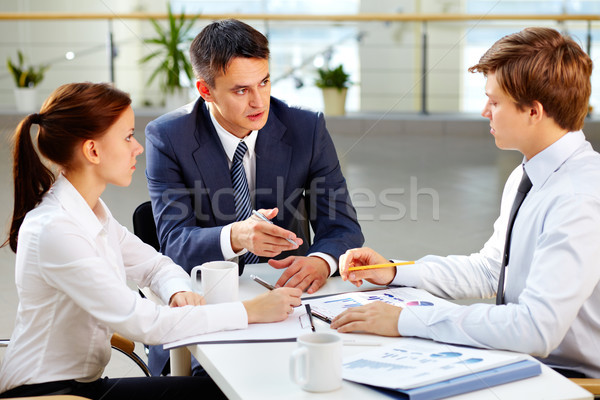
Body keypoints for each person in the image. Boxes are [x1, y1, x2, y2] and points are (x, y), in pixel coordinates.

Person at [0, 82, 302, 399]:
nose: (138, 148)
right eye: (128, 137)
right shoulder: (57, 229)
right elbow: (145, 324)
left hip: (81, 385)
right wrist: (250, 311)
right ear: (93, 150)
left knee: (217, 389)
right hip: (45, 393)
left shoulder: (91, 212)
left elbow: (155, 266)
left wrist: (179, 291)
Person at [332, 27, 600, 379]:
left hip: (571, 380)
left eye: (495, 101)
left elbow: (536, 329)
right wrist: (395, 272)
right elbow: (492, 269)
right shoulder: (530, 172)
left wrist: (408, 319)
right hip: (531, 362)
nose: (484, 110)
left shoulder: (579, 198)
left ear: (534, 111)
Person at [145, 19, 363, 375]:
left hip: (285, 304)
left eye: (264, 82)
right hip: (206, 308)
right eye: (240, 90)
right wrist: (236, 235)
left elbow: (343, 227)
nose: (259, 101)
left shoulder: (306, 128)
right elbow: (174, 243)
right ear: (205, 90)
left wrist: (321, 260)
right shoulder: (168, 138)